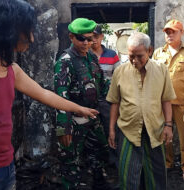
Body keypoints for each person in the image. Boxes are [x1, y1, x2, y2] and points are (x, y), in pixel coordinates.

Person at [0, 1, 98, 190]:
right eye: (28, 31)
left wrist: (79, 108)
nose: (32, 38)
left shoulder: (12, 69)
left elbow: (44, 94)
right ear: (10, 29)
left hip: (6, 164)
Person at [107, 32, 176, 190]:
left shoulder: (161, 69)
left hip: (155, 129)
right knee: (127, 173)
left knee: (156, 174)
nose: (134, 60)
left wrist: (168, 125)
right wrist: (112, 130)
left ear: (150, 50)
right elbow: (114, 102)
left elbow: (166, 99)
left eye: (139, 56)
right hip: (127, 129)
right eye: (131, 56)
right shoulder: (120, 71)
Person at [54, 18, 113, 190]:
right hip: (73, 121)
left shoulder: (91, 58)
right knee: (71, 161)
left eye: (90, 38)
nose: (87, 42)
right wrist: (63, 128)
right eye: (82, 39)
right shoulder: (65, 61)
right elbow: (60, 96)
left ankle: (99, 182)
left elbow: (102, 84)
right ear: (71, 37)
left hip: (93, 117)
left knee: (100, 151)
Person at [153, 19, 184, 182]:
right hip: (162, 103)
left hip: (183, 103)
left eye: (173, 31)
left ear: (182, 32)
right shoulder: (158, 53)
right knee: (165, 136)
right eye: (167, 32)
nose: (170, 35)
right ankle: (168, 163)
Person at [91, 24, 120, 166]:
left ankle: (114, 160)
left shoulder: (112, 55)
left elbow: (119, 76)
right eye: (90, 37)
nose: (93, 40)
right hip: (90, 102)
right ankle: (97, 162)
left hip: (108, 101)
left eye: (96, 37)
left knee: (111, 129)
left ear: (102, 37)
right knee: (93, 132)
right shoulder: (85, 55)